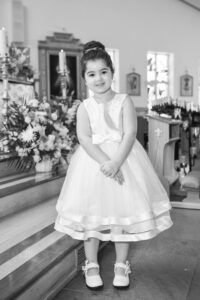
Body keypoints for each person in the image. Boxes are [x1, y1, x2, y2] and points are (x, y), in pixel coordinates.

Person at [54, 40, 173, 290]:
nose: (99, 78)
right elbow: (84, 138)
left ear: (112, 72)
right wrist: (106, 165)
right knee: (92, 218)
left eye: (103, 72)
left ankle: (121, 264)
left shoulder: (124, 100)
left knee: (122, 215)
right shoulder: (84, 107)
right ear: (85, 78)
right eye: (92, 74)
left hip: (124, 159)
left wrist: (117, 162)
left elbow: (130, 133)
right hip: (93, 164)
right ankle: (91, 263)